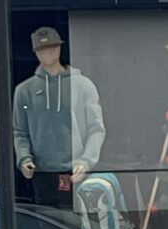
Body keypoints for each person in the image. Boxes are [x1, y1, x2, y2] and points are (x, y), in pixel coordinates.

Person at [13, 26, 106, 209]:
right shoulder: (24, 91)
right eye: (41, 49)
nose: (47, 53)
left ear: (60, 48)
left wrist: (86, 161)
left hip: (74, 170)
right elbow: (20, 131)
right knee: (48, 227)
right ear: (35, 53)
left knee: (75, 226)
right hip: (41, 172)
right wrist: (24, 158)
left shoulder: (83, 85)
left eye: (52, 48)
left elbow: (96, 129)